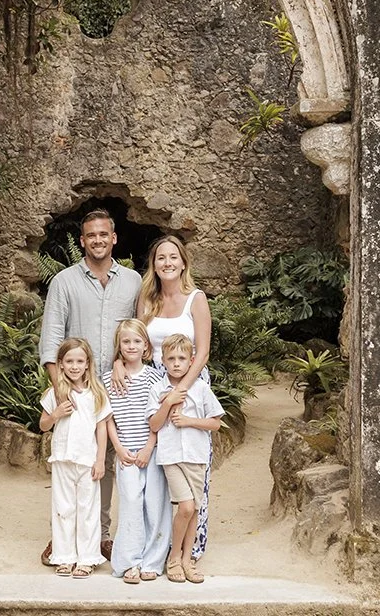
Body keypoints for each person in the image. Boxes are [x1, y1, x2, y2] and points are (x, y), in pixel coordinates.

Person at [38, 208, 142, 562]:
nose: (98, 240)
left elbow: (137, 334)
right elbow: (51, 339)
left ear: (114, 238)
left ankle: (102, 535)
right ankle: (64, 538)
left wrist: (122, 363)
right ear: (82, 241)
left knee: (107, 462)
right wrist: (61, 392)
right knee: (70, 462)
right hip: (76, 390)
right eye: (91, 236)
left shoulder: (132, 282)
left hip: (119, 388)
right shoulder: (64, 281)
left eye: (104, 234)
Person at [114, 234, 214, 560]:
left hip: (189, 381)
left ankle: (190, 549)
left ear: (183, 262)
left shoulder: (195, 299)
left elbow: (203, 351)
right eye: (161, 258)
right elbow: (135, 338)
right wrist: (118, 361)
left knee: (192, 460)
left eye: (173, 257)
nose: (167, 263)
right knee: (158, 462)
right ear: (154, 265)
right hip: (153, 380)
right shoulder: (148, 298)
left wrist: (181, 388)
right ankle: (155, 544)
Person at [147, 334, 223, 584]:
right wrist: (168, 403)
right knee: (186, 507)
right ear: (163, 361)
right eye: (171, 358)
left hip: (196, 455)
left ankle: (187, 560)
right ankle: (174, 558)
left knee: (194, 511)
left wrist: (189, 421)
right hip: (171, 456)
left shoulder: (201, 389)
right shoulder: (158, 390)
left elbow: (215, 423)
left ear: (191, 361)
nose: (177, 363)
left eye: (182, 358)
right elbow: (155, 425)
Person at [103, 319, 170, 584]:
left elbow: (158, 416)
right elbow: (107, 417)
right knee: (130, 503)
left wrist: (149, 447)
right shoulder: (108, 379)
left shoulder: (155, 377)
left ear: (146, 346)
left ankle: (152, 561)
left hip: (151, 451)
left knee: (154, 504)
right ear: (119, 346)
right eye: (126, 341)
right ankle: (128, 562)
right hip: (125, 452)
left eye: (137, 341)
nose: (131, 346)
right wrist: (118, 448)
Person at [38, 337, 111, 578]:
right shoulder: (56, 393)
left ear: (88, 363)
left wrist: (100, 460)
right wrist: (56, 414)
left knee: (88, 509)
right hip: (62, 458)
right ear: (60, 364)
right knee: (63, 508)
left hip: (88, 460)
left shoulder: (96, 393)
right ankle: (65, 556)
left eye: (80, 361)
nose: (74, 366)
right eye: (69, 361)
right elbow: (43, 425)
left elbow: (102, 428)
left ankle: (87, 558)